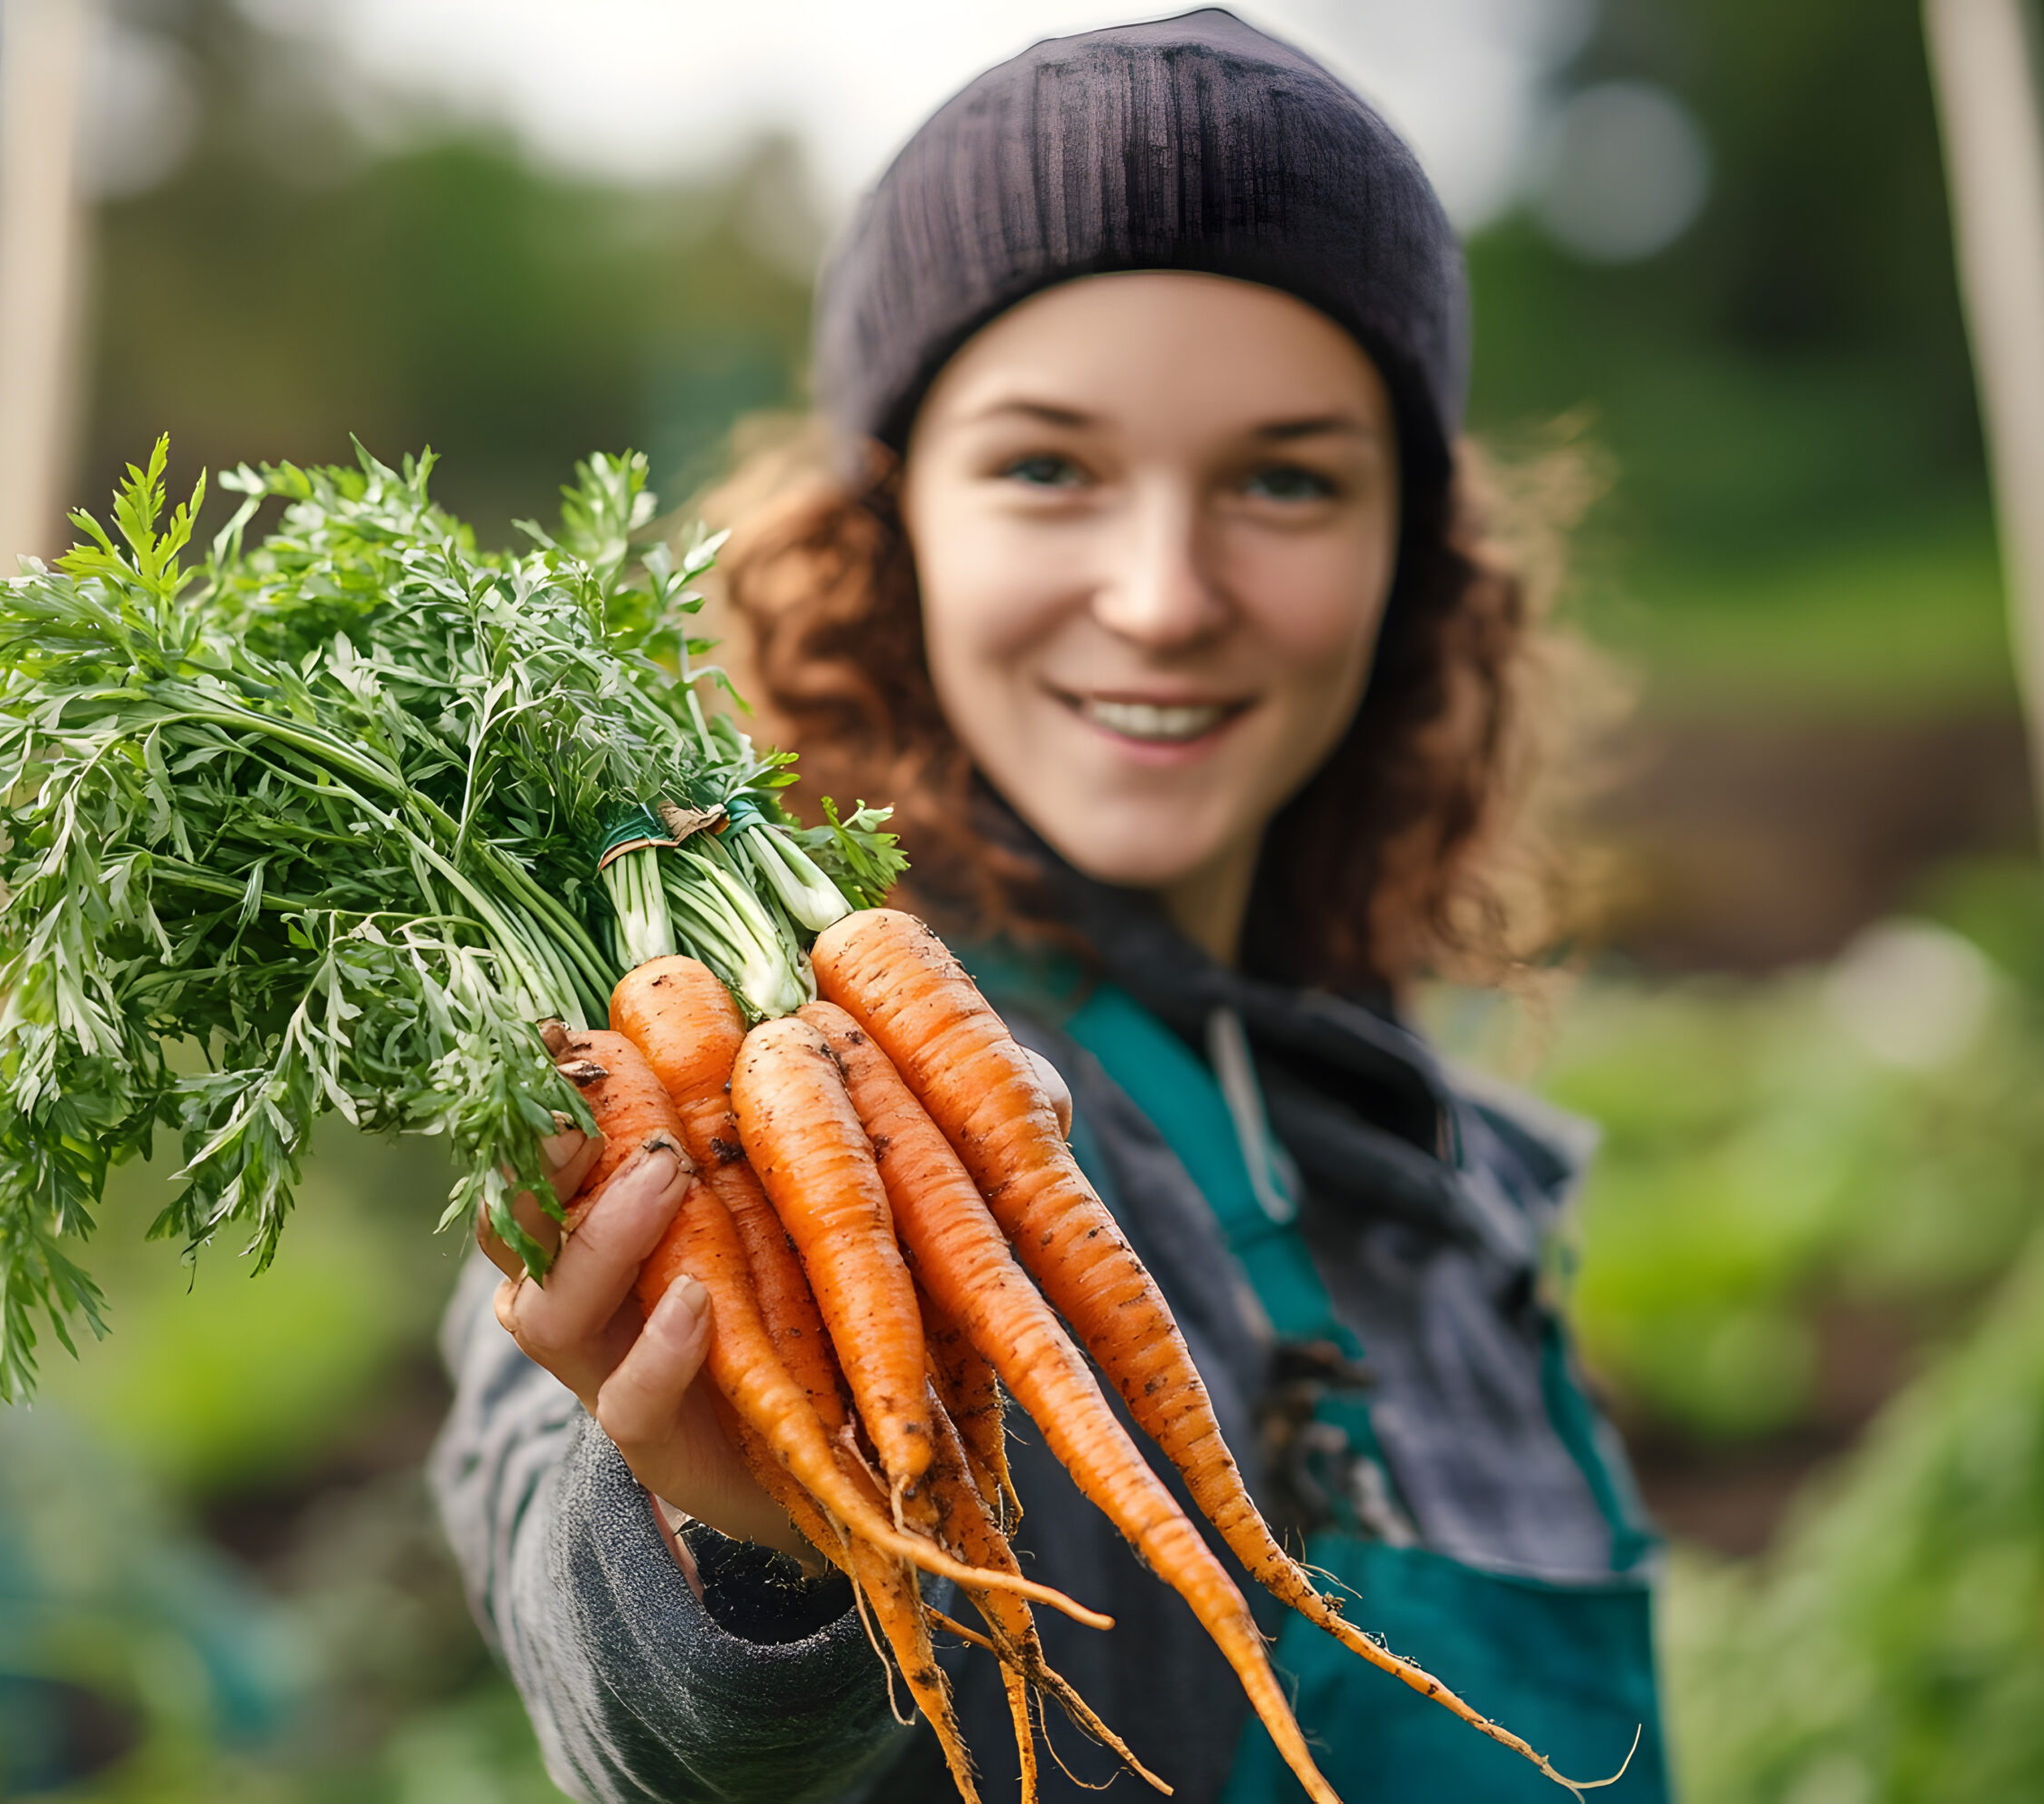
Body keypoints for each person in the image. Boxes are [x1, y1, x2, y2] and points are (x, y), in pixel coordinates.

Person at [429, 13, 1667, 1801]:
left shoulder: (1414, 1126)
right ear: (888, 527)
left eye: (1286, 478)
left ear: (1414, 552)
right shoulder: (733, 1086)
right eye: (1045, 467)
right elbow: (615, 1668)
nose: (1163, 595)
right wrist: (755, 1551)